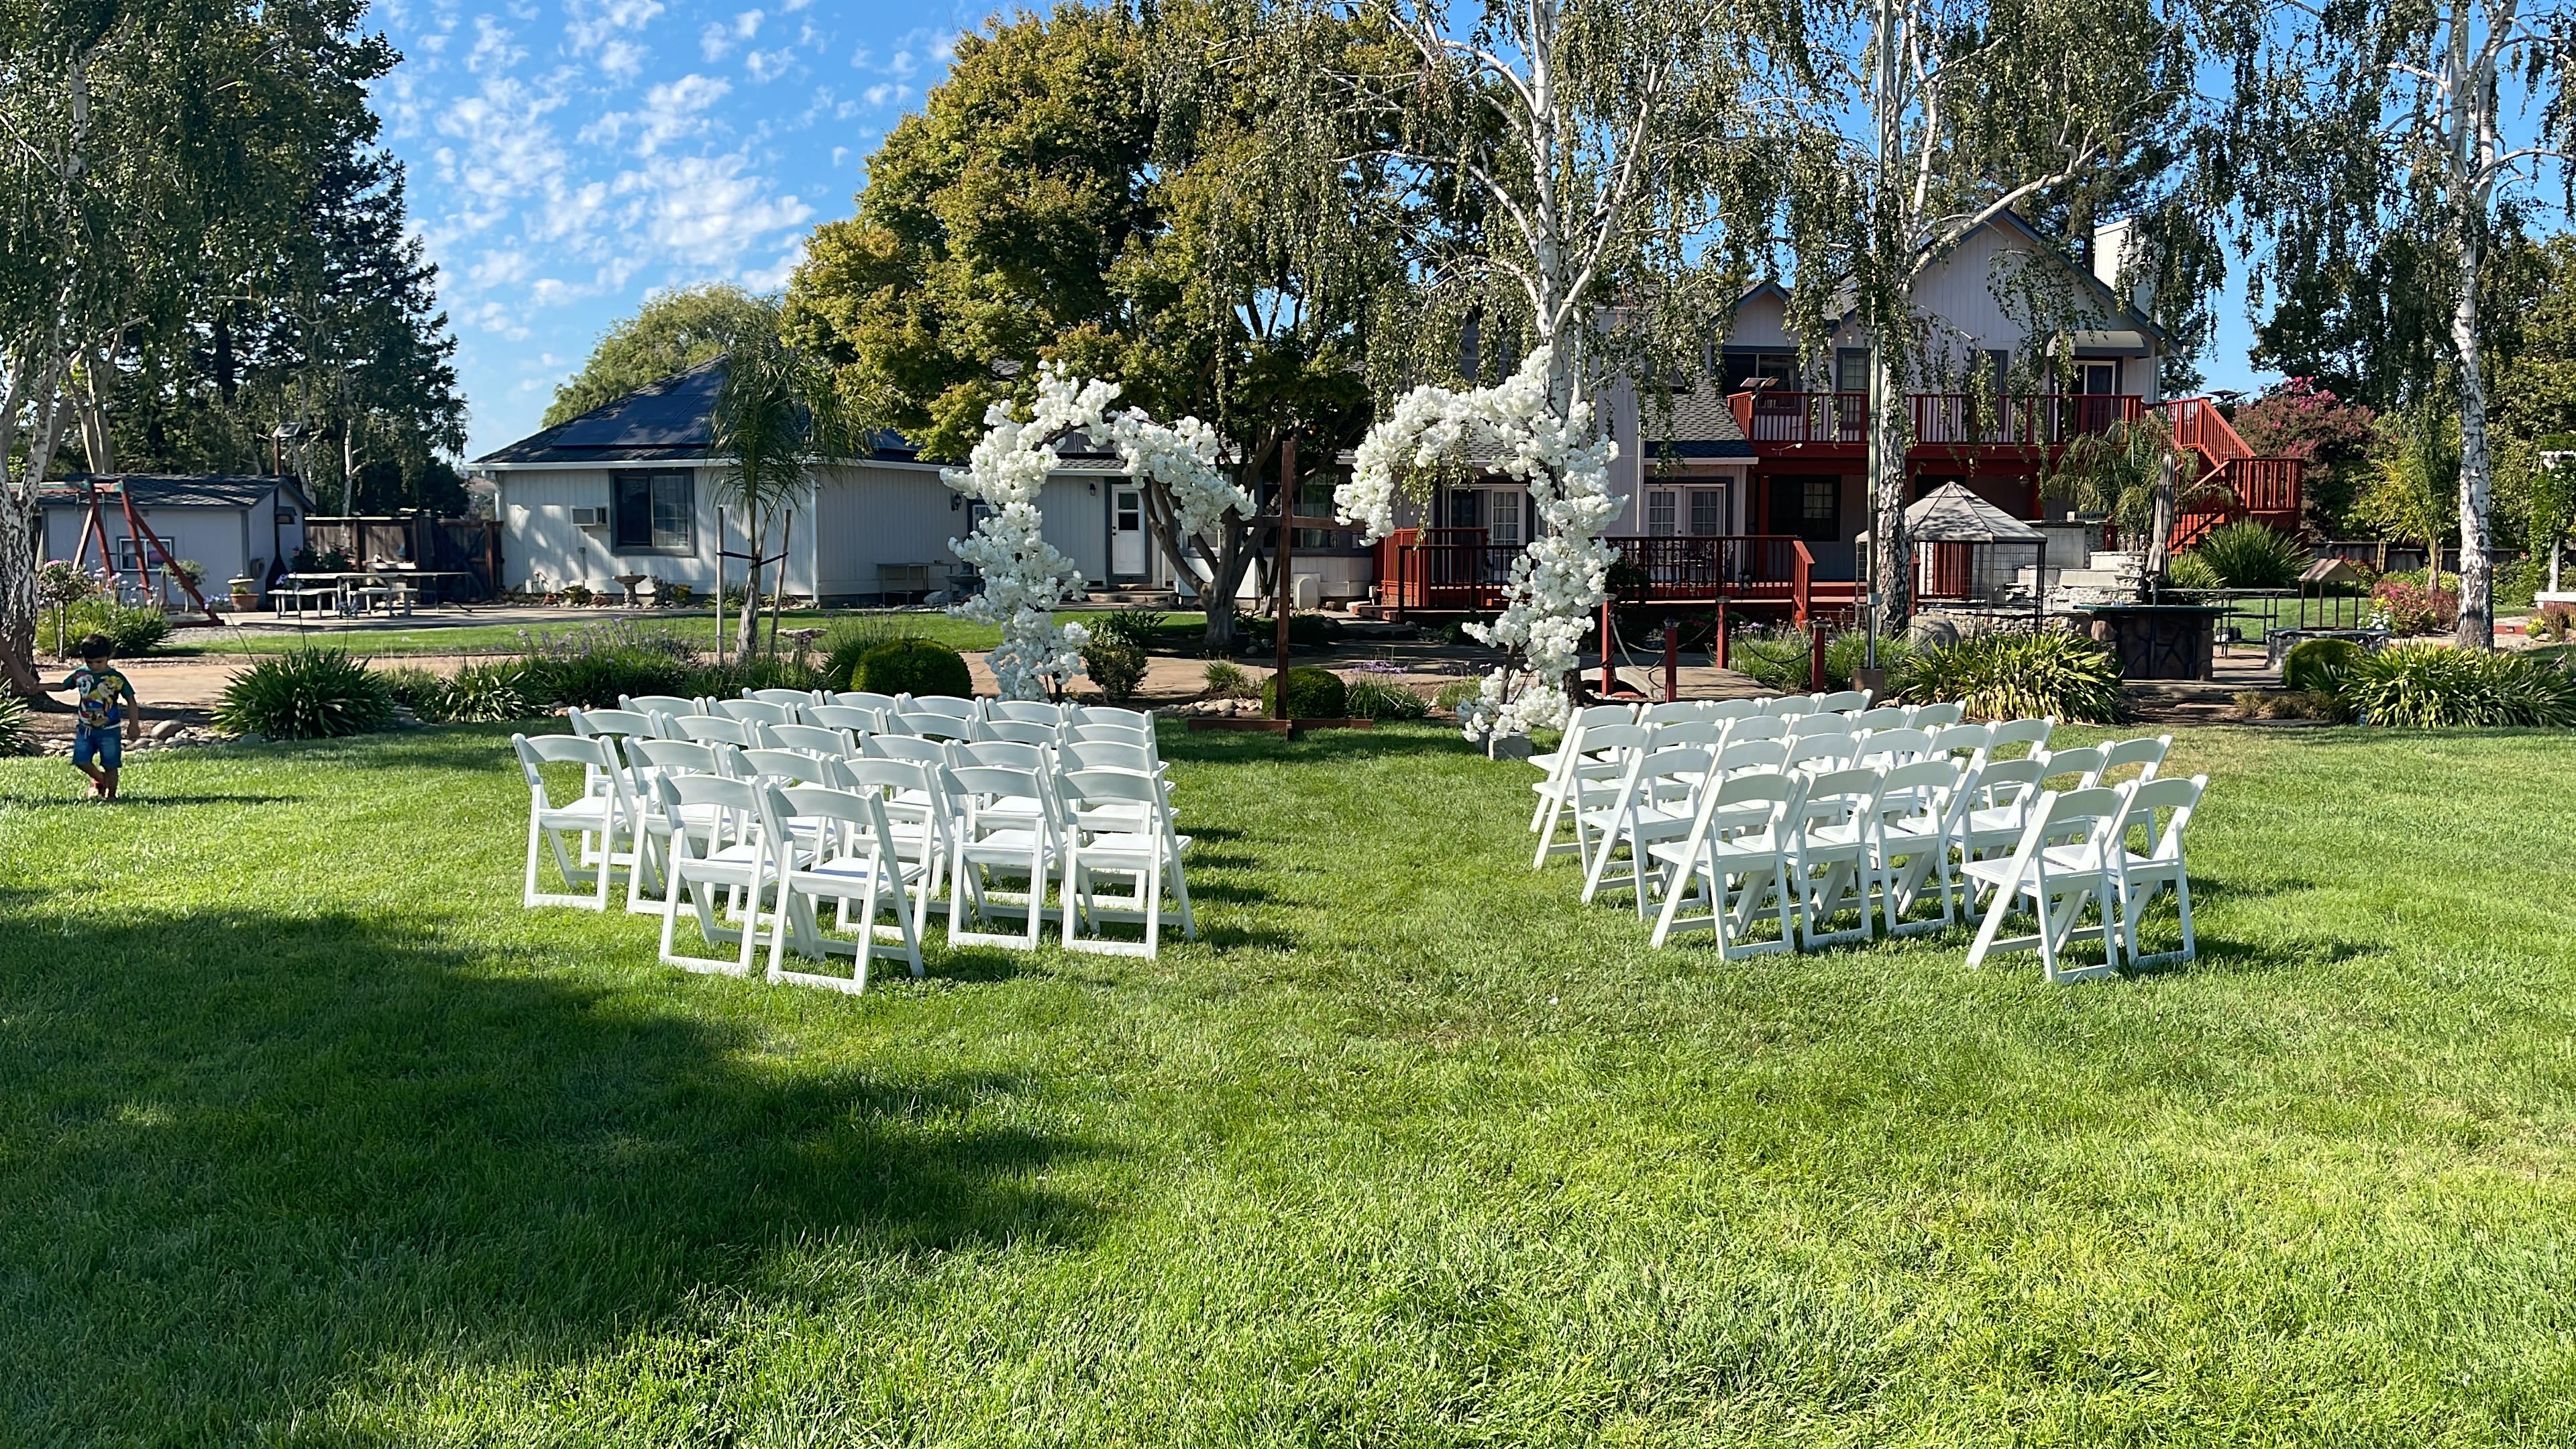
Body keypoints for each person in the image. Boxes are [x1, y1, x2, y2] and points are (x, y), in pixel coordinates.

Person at [60, 634, 142, 801]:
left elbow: (131, 700)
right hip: (85, 729)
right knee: (81, 759)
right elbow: (63, 686)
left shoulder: (116, 679)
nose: (94, 666)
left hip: (110, 730)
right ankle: (102, 780)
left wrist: (134, 725)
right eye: (90, 662)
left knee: (111, 764)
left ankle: (111, 795)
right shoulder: (81, 675)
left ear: (110, 657)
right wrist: (38, 687)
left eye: (99, 662)